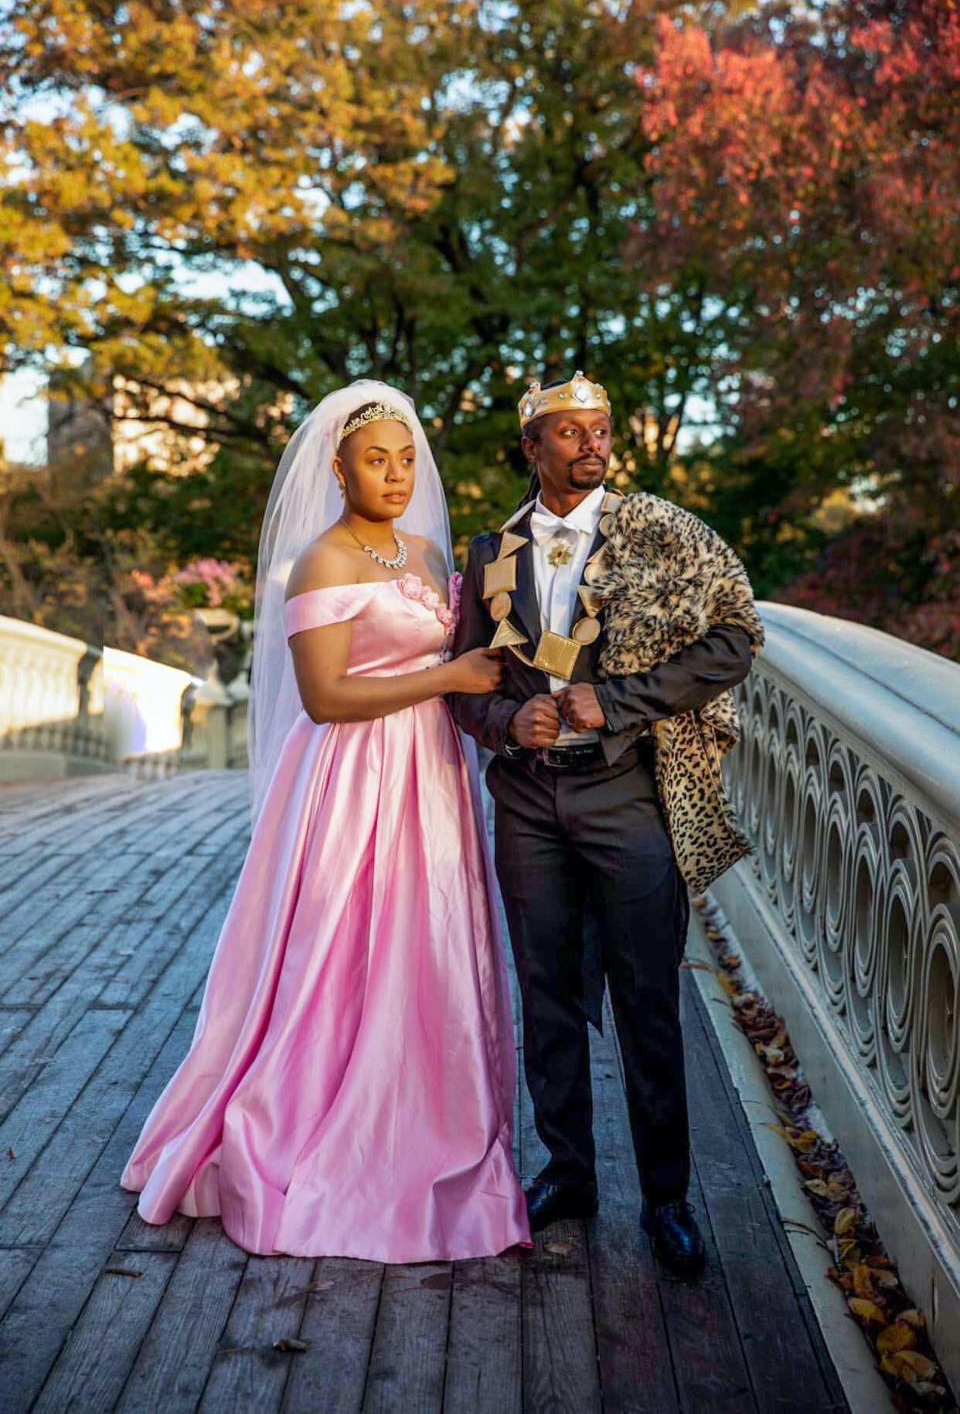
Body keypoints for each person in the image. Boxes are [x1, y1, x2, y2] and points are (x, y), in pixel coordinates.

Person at [120, 379, 532, 1264]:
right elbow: (326, 696)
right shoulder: (324, 562)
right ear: (338, 469)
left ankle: (430, 1115)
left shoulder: (427, 554)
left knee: (429, 944)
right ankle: (309, 1120)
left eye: (405, 458)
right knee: (340, 946)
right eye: (374, 459)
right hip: (351, 775)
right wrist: (447, 682)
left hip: (431, 773)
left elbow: (466, 651)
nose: (393, 473)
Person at [447, 370, 757, 1276]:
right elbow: (466, 682)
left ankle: (667, 1197)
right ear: (532, 446)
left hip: (624, 792)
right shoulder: (490, 550)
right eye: (570, 432)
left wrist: (614, 700)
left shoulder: (660, 531)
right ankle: (569, 1174)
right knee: (543, 988)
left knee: (647, 996)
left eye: (600, 430)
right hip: (527, 801)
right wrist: (509, 722)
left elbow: (735, 638)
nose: (591, 445)